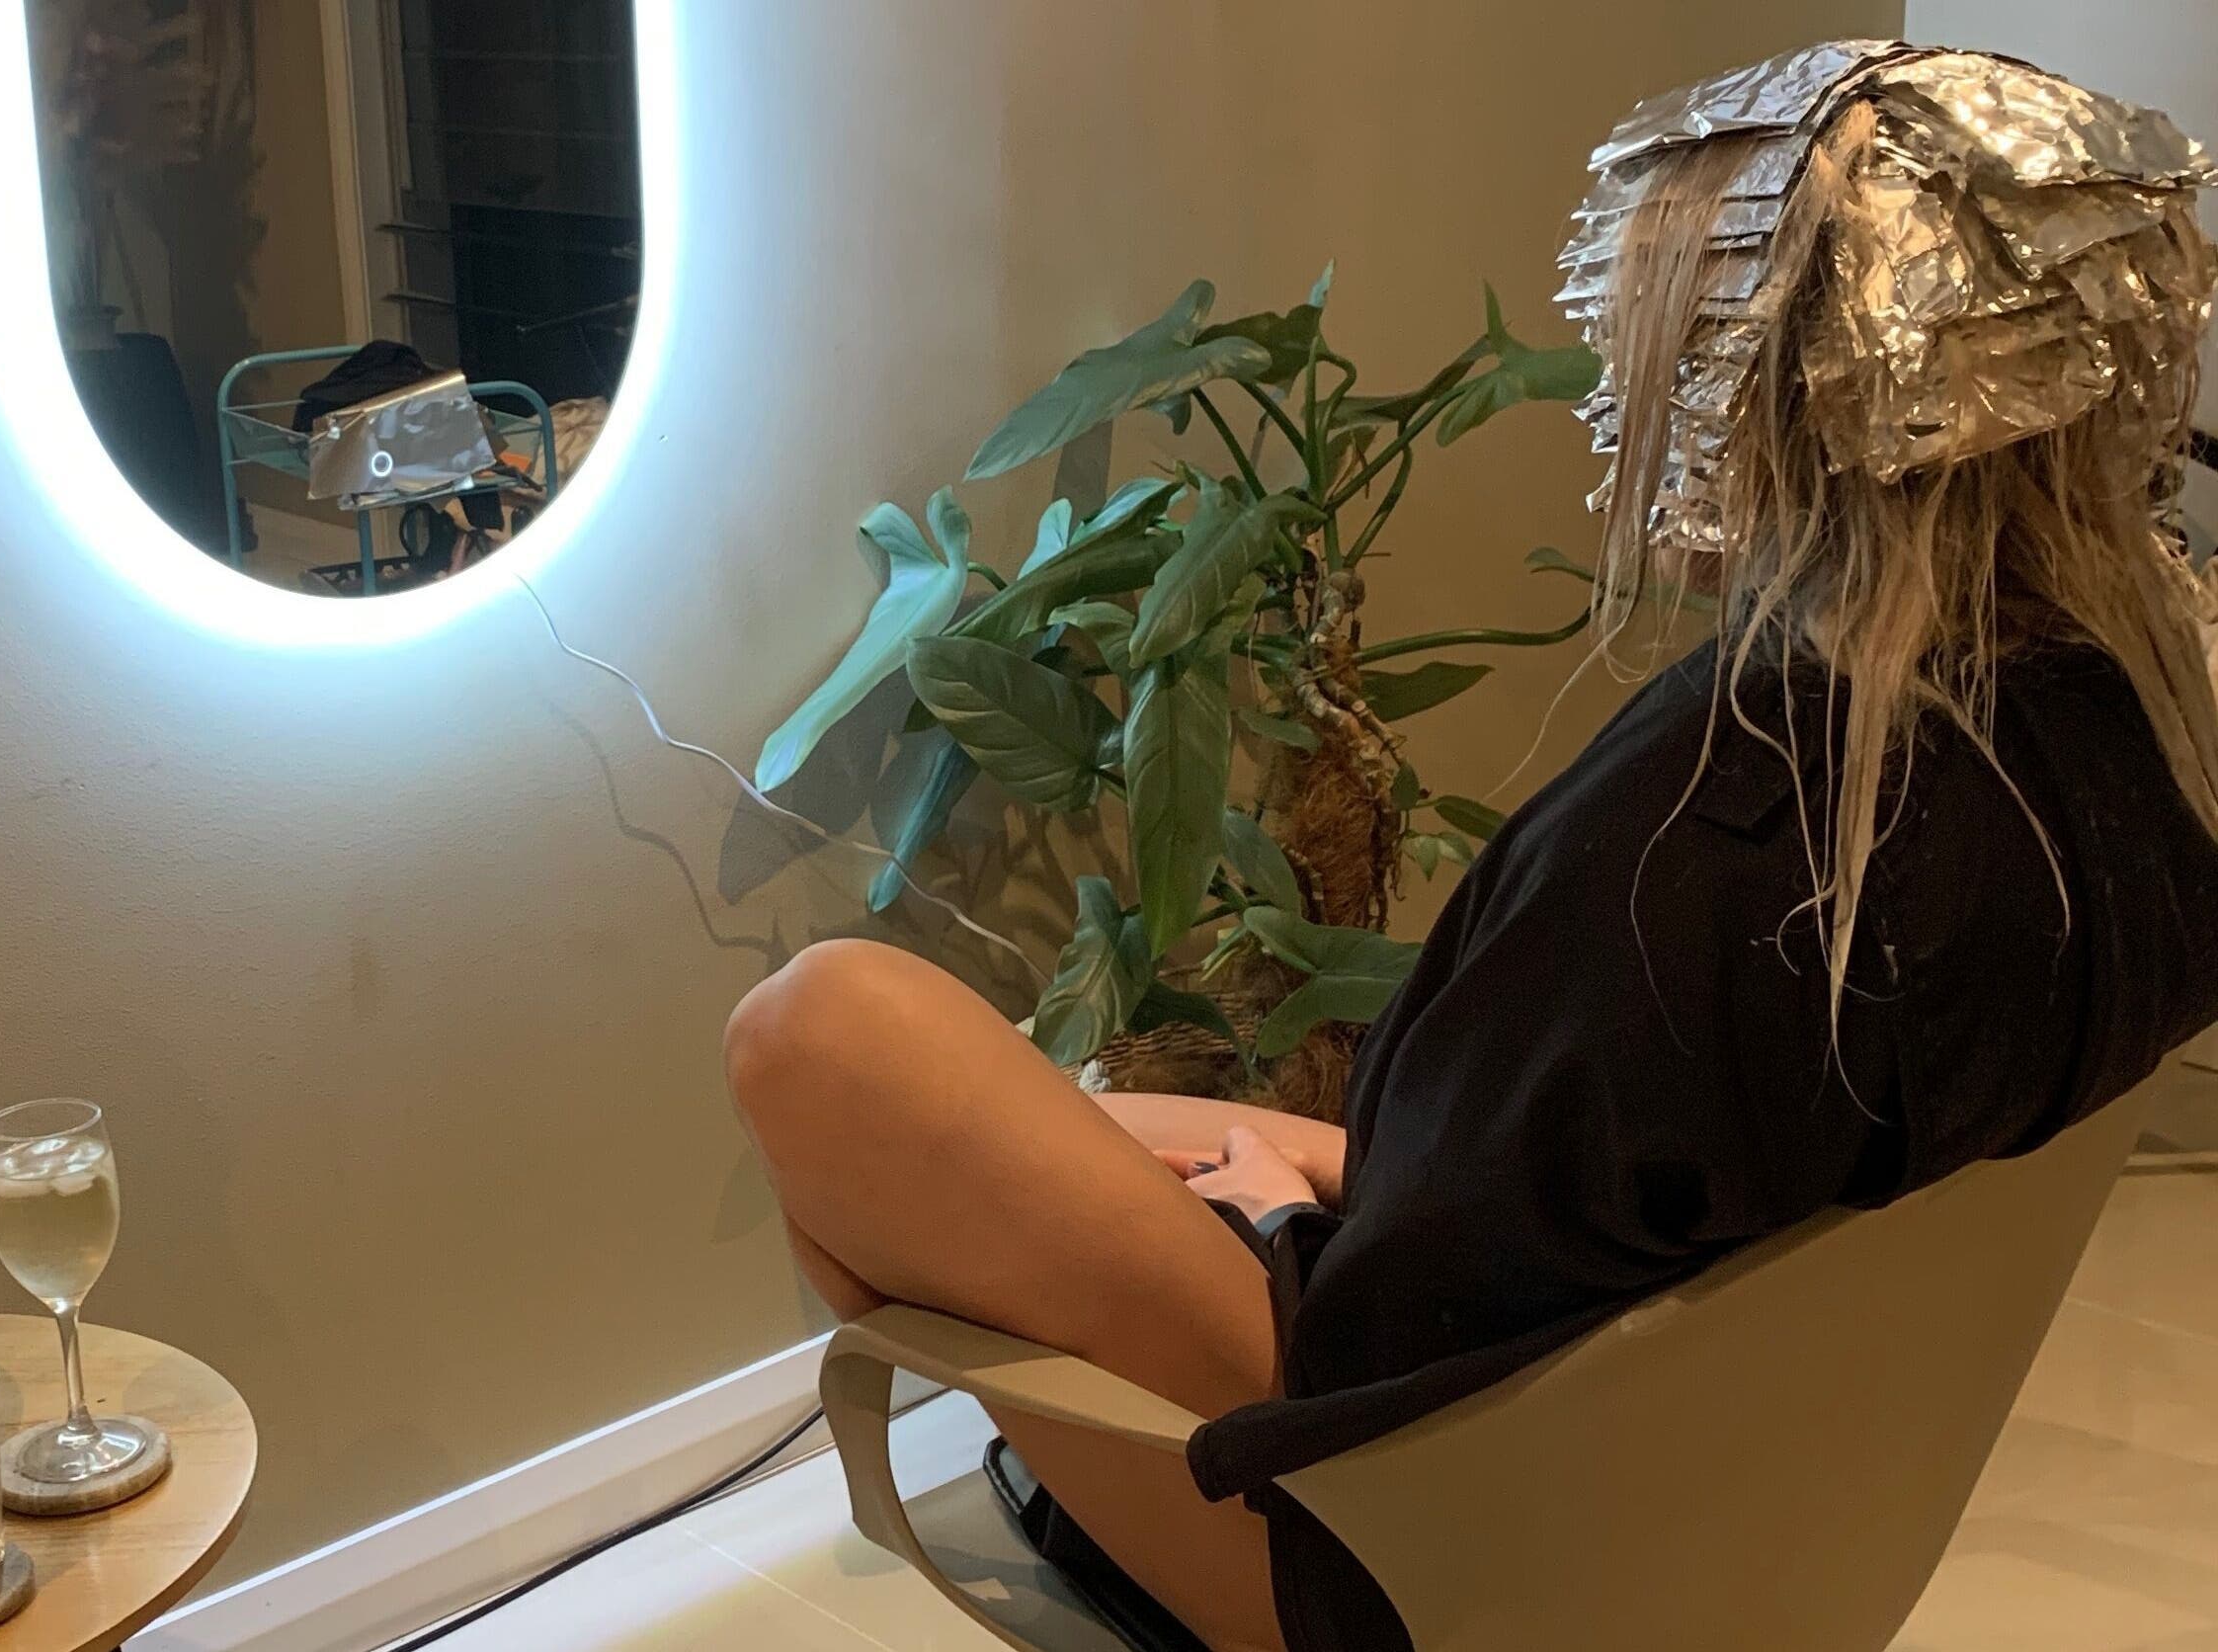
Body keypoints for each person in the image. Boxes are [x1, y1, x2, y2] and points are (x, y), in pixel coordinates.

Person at [725, 42, 2218, 1652]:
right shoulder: (2134, 750)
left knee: (825, 1044)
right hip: (1701, 1485)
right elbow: (1664, 1185)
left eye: (1664, 339)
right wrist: (1324, 1169)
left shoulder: (1728, 829)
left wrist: (1286, 1226)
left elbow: (1406, 1322)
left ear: (1770, 383)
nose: (1630, 396)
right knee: (1089, 1117)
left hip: (1414, 1545)